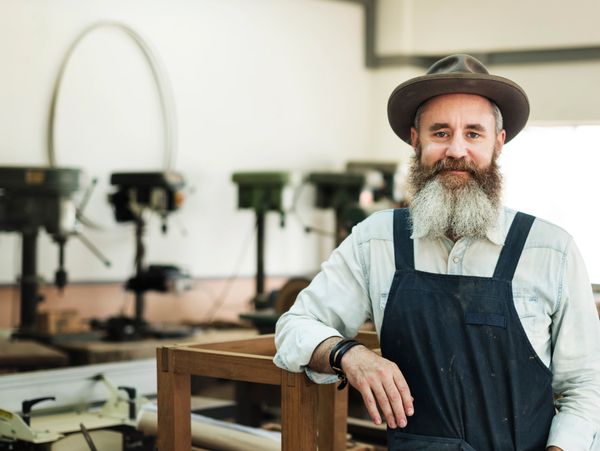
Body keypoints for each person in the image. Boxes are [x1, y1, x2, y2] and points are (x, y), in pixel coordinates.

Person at [274, 54, 600, 450]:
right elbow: (295, 326)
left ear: (499, 143)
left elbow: (586, 386)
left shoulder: (551, 249)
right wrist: (350, 354)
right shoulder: (376, 240)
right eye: (441, 133)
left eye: (474, 134)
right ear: (416, 141)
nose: (457, 150)